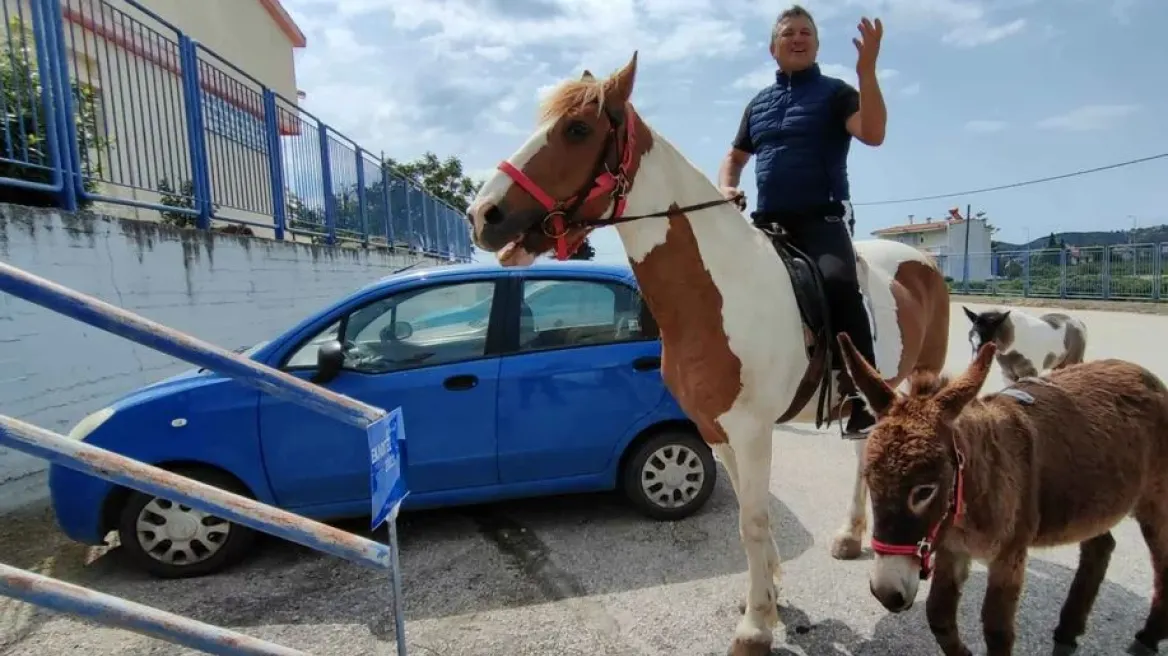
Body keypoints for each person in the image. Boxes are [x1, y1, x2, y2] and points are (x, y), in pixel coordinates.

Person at [717, 4, 887, 437]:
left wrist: (867, 72)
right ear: (773, 48)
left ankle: (865, 397)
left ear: (815, 44)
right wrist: (726, 186)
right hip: (767, 223)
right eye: (788, 32)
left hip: (821, 219)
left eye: (805, 32)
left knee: (838, 284)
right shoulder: (758, 104)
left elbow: (872, 133)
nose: (797, 37)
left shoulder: (836, 93)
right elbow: (734, 158)